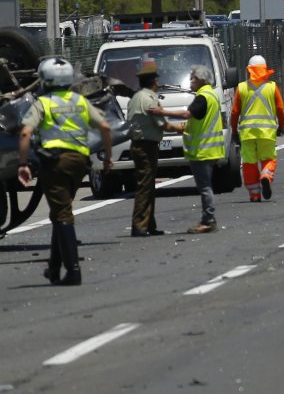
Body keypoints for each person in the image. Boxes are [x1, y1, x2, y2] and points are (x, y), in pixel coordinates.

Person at [17, 58, 113, 285]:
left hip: (54, 162)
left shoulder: (43, 103)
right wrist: (108, 157)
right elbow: (106, 127)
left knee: (62, 214)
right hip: (79, 161)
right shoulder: (80, 101)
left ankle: (73, 271)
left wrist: (23, 164)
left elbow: (25, 133)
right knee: (61, 212)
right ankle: (54, 267)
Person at [159, 65, 224, 234]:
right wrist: (181, 127)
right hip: (211, 149)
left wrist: (162, 111)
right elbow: (199, 121)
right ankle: (209, 219)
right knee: (206, 186)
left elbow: (188, 114)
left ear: (202, 79)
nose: (190, 81)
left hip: (202, 151)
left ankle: (208, 220)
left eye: (193, 78)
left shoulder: (202, 97)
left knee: (205, 187)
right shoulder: (212, 94)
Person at [129, 64, 181, 236]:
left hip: (137, 145)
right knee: (145, 186)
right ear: (154, 81)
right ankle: (139, 226)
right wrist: (181, 128)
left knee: (148, 185)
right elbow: (163, 124)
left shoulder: (136, 97)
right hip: (147, 147)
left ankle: (149, 224)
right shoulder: (150, 100)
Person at [230, 55, 284, 202]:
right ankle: (266, 175)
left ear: (249, 71)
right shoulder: (272, 87)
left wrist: (234, 131)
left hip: (247, 134)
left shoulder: (241, 88)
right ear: (264, 70)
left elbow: (235, 112)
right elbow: (280, 109)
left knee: (249, 163)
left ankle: (254, 194)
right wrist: (281, 126)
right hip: (267, 133)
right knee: (268, 159)